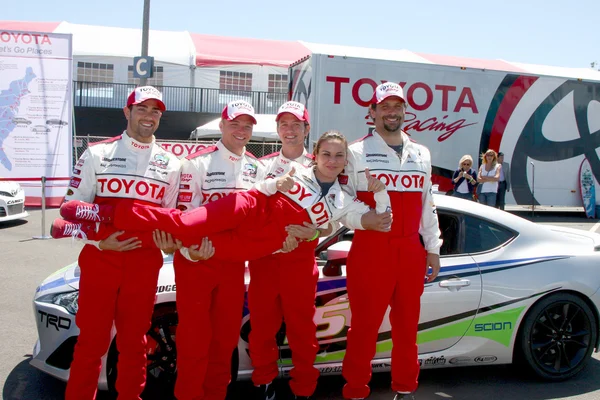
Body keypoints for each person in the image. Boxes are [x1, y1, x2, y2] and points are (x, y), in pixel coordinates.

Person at [58, 86, 182, 400]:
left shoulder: (172, 164)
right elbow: (68, 214)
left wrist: (170, 242)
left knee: (135, 343)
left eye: (156, 110)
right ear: (127, 112)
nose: (149, 116)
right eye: (142, 108)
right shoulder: (96, 153)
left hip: (144, 264)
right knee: (92, 344)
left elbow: (168, 219)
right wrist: (101, 242)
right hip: (101, 261)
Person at [339, 82, 443, 400]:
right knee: (364, 329)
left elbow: (428, 204)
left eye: (397, 106)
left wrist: (433, 248)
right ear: (372, 113)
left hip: (411, 250)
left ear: (405, 112)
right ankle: (356, 390)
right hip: (371, 248)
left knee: (407, 329)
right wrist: (362, 219)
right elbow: (339, 200)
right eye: (384, 106)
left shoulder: (421, 153)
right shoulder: (355, 152)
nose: (392, 112)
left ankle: (405, 389)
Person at [249, 101, 322, 400]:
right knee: (262, 329)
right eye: (284, 125)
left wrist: (313, 232)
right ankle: (264, 382)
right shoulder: (262, 166)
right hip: (265, 260)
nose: (289, 130)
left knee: (303, 332)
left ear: (307, 128)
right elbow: (251, 212)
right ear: (277, 129)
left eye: (296, 124)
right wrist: (274, 240)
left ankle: (303, 388)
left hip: (301, 262)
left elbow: (332, 219)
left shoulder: (322, 165)